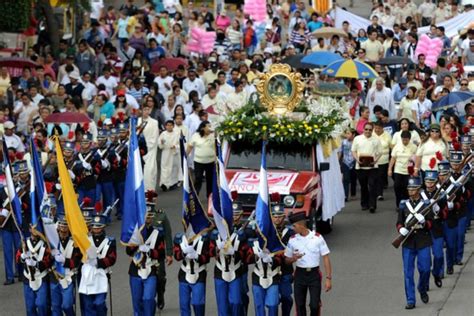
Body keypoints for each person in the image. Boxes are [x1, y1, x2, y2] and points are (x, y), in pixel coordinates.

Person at [284, 212, 332, 316]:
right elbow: (286, 260)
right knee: (300, 305)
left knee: (314, 305)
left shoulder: (317, 238)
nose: (293, 228)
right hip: (300, 274)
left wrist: (328, 278)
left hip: (314, 274)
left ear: (301, 225)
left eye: (294, 226)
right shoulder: (292, 240)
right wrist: (293, 259)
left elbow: (326, 258)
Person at [125, 196, 165, 316]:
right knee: (137, 302)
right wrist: (135, 245)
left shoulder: (157, 232)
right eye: (146, 215)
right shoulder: (135, 232)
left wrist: (150, 251)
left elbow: (161, 253)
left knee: (148, 299)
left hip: (150, 269)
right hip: (135, 270)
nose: (148, 218)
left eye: (150, 216)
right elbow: (128, 251)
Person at [396, 176, 432, 310]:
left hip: (423, 240)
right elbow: (399, 222)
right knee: (408, 273)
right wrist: (401, 229)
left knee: (425, 269)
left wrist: (424, 222)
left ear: (418, 190)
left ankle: (422, 288)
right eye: (409, 188)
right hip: (408, 242)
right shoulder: (404, 205)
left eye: (413, 188)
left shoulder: (426, 205)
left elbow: (430, 224)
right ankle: (410, 300)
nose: (410, 191)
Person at [79, 214, 117, 315]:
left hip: (101, 275)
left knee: (99, 303)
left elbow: (112, 259)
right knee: (88, 305)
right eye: (94, 227)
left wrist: (98, 262)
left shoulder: (110, 241)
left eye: (98, 227)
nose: (96, 229)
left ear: (103, 227)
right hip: (87, 275)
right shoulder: (86, 241)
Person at [17, 224, 53, 316]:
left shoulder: (45, 244)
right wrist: (22, 257)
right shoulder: (25, 242)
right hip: (28, 277)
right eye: (33, 229)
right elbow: (17, 258)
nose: (35, 231)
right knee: (30, 307)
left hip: (41, 276)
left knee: (42, 305)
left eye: (37, 229)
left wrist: (36, 264)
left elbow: (49, 261)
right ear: (29, 229)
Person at [50, 215, 83, 316]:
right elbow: (46, 259)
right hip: (54, 276)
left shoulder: (75, 243)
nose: (63, 228)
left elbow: (76, 261)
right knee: (56, 307)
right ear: (58, 227)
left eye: (65, 226)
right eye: (61, 226)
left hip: (68, 276)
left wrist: (65, 261)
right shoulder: (52, 242)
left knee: (67, 306)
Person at [173, 227, 210, 316]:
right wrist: (183, 253)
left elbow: (207, 257)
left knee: (198, 303)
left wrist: (197, 257)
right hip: (184, 272)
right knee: (184, 304)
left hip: (199, 273)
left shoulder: (204, 238)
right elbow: (177, 257)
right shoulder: (180, 238)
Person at [421, 170, 445, 288]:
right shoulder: (420, 195)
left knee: (439, 255)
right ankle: (425, 284)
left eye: (431, 181)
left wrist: (438, 210)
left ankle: (436, 273)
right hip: (424, 230)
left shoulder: (441, 195)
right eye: (427, 181)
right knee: (425, 261)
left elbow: (445, 214)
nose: (429, 183)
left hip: (437, 228)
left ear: (436, 182)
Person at [351, 122, 382, 213]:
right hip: (360, 167)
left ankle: (372, 205)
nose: (368, 131)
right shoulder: (357, 139)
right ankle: (364, 204)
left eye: (370, 130)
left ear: (372, 130)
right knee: (363, 186)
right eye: (366, 129)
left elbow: (380, 152)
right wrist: (357, 159)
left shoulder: (376, 140)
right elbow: (353, 151)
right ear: (363, 130)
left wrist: (375, 160)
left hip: (372, 167)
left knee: (372, 186)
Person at [272, 204, 295, 316]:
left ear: (284, 217)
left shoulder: (290, 233)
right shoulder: (268, 232)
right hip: (271, 270)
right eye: (275, 216)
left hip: (286, 270)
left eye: (280, 216)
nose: (277, 219)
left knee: (286, 298)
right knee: (273, 301)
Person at [389, 131, 418, 208]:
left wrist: (415, 169)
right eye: (403, 139)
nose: (404, 141)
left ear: (409, 139)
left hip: (408, 171)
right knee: (397, 186)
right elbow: (393, 158)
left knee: (406, 188)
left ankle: (407, 204)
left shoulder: (414, 147)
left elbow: (417, 159)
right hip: (398, 170)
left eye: (406, 140)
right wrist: (389, 169)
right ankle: (398, 204)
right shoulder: (397, 146)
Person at [187, 121, 215, 197]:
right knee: (198, 178)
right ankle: (195, 196)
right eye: (208, 126)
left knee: (210, 179)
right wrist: (185, 156)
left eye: (210, 126)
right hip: (199, 161)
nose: (210, 128)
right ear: (203, 128)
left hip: (211, 161)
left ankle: (209, 196)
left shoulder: (213, 135)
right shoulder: (196, 135)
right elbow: (190, 146)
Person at [139, 103, 160, 191]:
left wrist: (146, 148)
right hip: (139, 150)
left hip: (150, 150)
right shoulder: (137, 121)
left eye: (148, 109)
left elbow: (154, 137)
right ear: (141, 110)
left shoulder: (154, 122)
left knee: (149, 170)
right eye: (144, 109)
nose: (146, 111)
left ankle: (149, 190)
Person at [158, 120, 180, 191]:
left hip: (173, 153)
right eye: (167, 125)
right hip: (166, 152)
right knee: (164, 168)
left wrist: (175, 146)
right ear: (165, 126)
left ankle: (172, 184)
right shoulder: (163, 134)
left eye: (171, 125)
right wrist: (161, 143)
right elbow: (160, 144)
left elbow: (180, 144)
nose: (169, 126)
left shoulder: (177, 134)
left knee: (173, 169)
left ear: (173, 126)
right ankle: (163, 183)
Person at [374, 121, 392, 200]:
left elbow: (391, 147)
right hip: (373, 160)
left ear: (382, 128)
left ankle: (379, 194)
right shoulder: (372, 135)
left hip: (383, 160)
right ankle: (375, 192)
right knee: (374, 177)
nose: (377, 130)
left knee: (380, 177)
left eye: (379, 128)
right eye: (376, 128)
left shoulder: (387, 135)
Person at [339, 129, 357, 201]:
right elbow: (340, 152)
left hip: (354, 162)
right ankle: (345, 196)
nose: (347, 135)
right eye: (346, 134)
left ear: (353, 135)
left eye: (349, 134)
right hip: (345, 162)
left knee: (353, 179)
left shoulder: (356, 142)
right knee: (345, 179)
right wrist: (338, 161)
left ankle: (353, 194)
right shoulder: (343, 142)